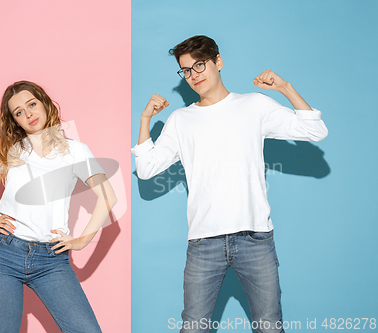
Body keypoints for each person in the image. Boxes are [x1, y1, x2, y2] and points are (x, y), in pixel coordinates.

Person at [131, 35, 328, 333]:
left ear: (218, 62)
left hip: (256, 239)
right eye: (186, 70)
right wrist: (145, 119)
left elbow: (315, 131)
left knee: (270, 328)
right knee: (194, 329)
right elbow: (146, 169)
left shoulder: (254, 105)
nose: (194, 75)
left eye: (199, 65)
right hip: (204, 242)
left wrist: (285, 88)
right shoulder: (180, 120)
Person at [0, 80, 116, 333]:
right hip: (4, 257)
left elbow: (108, 196)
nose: (28, 114)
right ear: (14, 121)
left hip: (52, 260)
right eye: (18, 112)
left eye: (32, 104)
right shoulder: (6, 151)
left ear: (45, 103)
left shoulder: (76, 151)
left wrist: (82, 240)